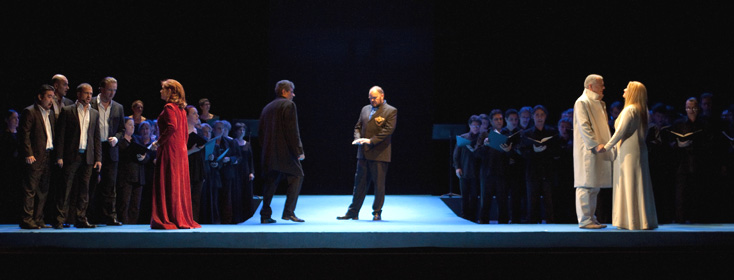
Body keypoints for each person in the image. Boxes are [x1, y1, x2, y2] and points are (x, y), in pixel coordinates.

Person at [337, 86, 398, 221]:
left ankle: (377, 212)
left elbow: (388, 130)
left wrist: (370, 141)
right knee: (359, 184)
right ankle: (353, 212)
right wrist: (357, 138)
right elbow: (358, 126)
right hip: (363, 153)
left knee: (378, 185)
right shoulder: (365, 109)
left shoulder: (391, 110)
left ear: (382, 96)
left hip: (379, 153)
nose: (372, 100)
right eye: (370, 98)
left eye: (374, 98)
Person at [602, 81, 658, 230]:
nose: (624, 89)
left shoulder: (630, 110)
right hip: (639, 150)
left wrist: (606, 147)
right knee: (639, 183)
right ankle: (642, 220)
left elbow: (620, 132)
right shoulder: (643, 110)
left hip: (628, 152)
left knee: (629, 183)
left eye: (627, 87)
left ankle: (631, 221)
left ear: (633, 92)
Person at [149, 79, 201, 230]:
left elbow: (172, 127)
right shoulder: (181, 110)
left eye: (163, 89)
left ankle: (169, 217)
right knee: (176, 183)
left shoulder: (170, 107)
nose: (160, 92)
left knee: (168, 181)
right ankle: (178, 216)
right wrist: (182, 149)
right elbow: (184, 133)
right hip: (179, 150)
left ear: (170, 92)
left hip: (170, 149)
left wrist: (158, 142)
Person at [54, 83, 102, 229]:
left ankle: (81, 218)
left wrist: (99, 158)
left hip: (88, 156)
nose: (89, 96)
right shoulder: (68, 111)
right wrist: (59, 156)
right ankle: (59, 219)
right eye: (86, 93)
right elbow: (61, 136)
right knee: (66, 188)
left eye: (91, 93)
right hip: (71, 156)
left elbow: (96, 137)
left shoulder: (94, 113)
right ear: (79, 94)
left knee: (84, 190)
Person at [258, 80, 306, 223]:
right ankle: (288, 212)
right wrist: (299, 150)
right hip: (284, 152)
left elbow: (260, 132)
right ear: (284, 92)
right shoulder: (289, 105)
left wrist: (265, 148)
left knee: (270, 182)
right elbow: (292, 130)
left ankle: (265, 215)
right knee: (297, 175)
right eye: (291, 91)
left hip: (269, 152)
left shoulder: (267, 107)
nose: (293, 94)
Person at [573, 74, 612, 229]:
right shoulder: (582, 102)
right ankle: (584, 220)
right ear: (590, 86)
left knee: (594, 185)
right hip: (588, 149)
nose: (603, 87)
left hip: (600, 147)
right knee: (585, 184)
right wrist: (594, 144)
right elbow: (584, 126)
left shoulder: (599, 103)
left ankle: (591, 217)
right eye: (600, 84)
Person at [18, 85, 56, 229]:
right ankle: (27, 219)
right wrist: (28, 153)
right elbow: (24, 135)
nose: (51, 100)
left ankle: (38, 219)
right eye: (49, 96)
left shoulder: (50, 113)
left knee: (43, 190)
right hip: (34, 156)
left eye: (52, 97)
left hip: (47, 155)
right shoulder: (30, 111)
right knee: (30, 189)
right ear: (40, 97)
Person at [89, 76, 125, 226]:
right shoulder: (90, 103)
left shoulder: (118, 107)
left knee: (110, 185)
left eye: (114, 90)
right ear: (101, 89)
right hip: (94, 148)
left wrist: (117, 138)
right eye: (110, 89)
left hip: (110, 149)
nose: (112, 93)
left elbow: (122, 129)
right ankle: (89, 217)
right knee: (91, 183)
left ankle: (110, 216)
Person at [520, 105, 559, 224]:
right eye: (537, 115)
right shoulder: (527, 133)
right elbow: (522, 151)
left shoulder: (552, 131)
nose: (540, 117)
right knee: (532, 201)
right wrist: (533, 150)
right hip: (532, 171)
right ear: (533, 117)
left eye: (542, 115)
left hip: (547, 170)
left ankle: (551, 224)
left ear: (545, 116)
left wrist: (546, 149)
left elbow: (557, 151)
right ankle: (532, 225)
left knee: (549, 201)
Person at [476, 109, 510, 224]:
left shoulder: (507, 134)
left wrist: (508, 151)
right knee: (486, 201)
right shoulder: (484, 134)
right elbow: (477, 154)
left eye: (501, 119)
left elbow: (513, 154)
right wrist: (485, 145)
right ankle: (483, 224)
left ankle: (504, 225)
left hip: (502, 173)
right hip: (487, 173)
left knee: (503, 201)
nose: (499, 121)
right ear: (491, 121)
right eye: (496, 119)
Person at [116, 117, 150, 224]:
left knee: (135, 205)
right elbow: (122, 156)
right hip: (126, 176)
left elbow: (146, 153)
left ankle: (133, 225)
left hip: (138, 176)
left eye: (133, 125)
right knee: (124, 203)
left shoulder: (137, 139)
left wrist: (144, 158)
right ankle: (124, 225)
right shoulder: (120, 141)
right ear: (124, 126)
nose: (132, 127)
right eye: (130, 125)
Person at [449, 115, 481, 222]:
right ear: (469, 126)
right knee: (465, 196)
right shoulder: (463, 137)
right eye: (474, 125)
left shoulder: (482, 138)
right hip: (465, 170)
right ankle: (464, 217)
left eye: (477, 125)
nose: (476, 127)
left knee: (474, 196)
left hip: (477, 172)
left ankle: (473, 217)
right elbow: (456, 155)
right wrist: (457, 167)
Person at [503, 109, 525, 223]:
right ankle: (504, 219)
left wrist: (512, 151)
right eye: (511, 119)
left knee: (516, 195)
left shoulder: (520, 133)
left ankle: (516, 219)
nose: (514, 121)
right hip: (503, 169)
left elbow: (522, 152)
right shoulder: (501, 133)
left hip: (517, 169)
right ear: (506, 120)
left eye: (516, 119)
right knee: (503, 195)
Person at [0, 109, 21, 224]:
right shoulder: (4, 136)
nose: (16, 120)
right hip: (7, 169)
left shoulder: (20, 135)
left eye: (17, 118)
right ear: (6, 120)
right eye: (14, 118)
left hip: (18, 170)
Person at [232, 122, 255, 222]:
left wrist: (252, 172)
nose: (242, 132)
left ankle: (247, 216)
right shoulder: (232, 142)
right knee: (237, 193)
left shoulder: (248, 144)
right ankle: (238, 216)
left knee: (247, 193)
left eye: (243, 130)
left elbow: (251, 160)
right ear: (236, 131)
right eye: (240, 130)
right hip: (236, 171)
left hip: (246, 171)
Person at [186, 105, 205, 223]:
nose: (197, 116)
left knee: (196, 198)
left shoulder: (198, 131)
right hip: (187, 166)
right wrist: (192, 150)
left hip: (198, 167)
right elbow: (178, 153)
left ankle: (194, 221)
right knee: (187, 197)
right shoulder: (182, 133)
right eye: (194, 113)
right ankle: (186, 220)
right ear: (186, 116)